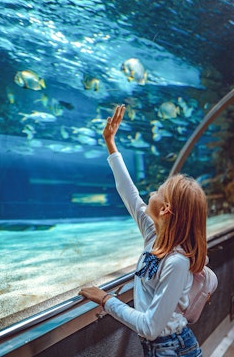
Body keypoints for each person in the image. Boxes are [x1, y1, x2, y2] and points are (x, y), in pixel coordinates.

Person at [79, 104, 207, 357]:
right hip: (160, 348)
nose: (150, 194)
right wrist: (110, 143)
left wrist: (105, 300)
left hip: (174, 349)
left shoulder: (177, 262)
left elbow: (150, 327)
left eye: (158, 192)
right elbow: (128, 192)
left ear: (166, 210)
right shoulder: (155, 235)